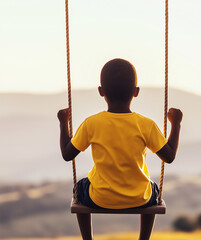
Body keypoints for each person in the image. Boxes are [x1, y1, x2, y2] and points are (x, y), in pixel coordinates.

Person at [58, 58, 183, 240]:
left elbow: (67, 154)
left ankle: (88, 239)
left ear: (101, 92)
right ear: (136, 92)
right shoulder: (145, 125)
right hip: (139, 198)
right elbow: (169, 156)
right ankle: (144, 238)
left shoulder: (91, 123)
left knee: (79, 187)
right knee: (153, 188)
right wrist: (176, 124)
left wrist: (63, 124)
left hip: (100, 197)